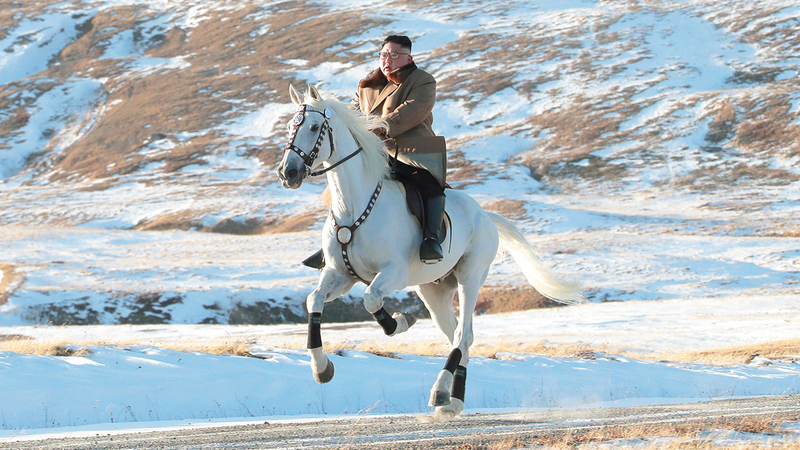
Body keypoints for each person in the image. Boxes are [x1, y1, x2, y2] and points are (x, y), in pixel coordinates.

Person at [302, 35, 447, 269]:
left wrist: (378, 127)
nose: (387, 60)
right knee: (341, 189)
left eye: (394, 55)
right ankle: (334, 244)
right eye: (383, 55)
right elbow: (352, 112)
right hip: (373, 152)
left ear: (408, 58)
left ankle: (431, 240)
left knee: (428, 186)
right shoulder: (367, 84)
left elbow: (411, 111)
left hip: (410, 152)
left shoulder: (422, 81)